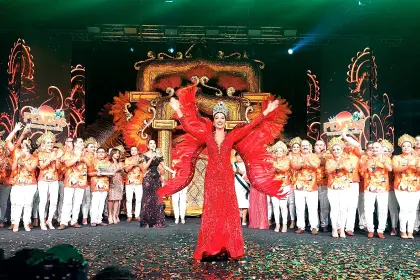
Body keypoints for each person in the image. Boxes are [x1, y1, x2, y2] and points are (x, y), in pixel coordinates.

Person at [158, 86, 289, 260]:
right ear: (213, 120)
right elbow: (189, 128)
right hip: (212, 178)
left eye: (222, 118)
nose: (219, 120)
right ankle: (211, 248)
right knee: (212, 211)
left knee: (227, 212)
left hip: (227, 178)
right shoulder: (206, 136)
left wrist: (266, 112)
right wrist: (178, 111)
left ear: (225, 120)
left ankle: (228, 247)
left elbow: (250, 126)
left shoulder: (232, 137)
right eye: (217, 117)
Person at [361, 142, 392, 238]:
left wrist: (382, 160)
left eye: (377, 147)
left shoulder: (386, 158)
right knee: (368, 209)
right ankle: (370, 229)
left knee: (382, 209)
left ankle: (380, 230)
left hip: (382, 187)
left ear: (381, 149)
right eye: (373, 148)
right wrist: (368, 162)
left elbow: (390, 169)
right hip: (369, 187)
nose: (374, 149)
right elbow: (361, 171)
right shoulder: (366, 158)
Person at [141, 140, 175, 228]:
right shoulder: (144, 155)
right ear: (148, 146)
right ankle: (147, 222)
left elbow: (164, 166)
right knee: (147, 199)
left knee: (157, 199)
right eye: (151, 143)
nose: (153, 145)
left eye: (154, 143)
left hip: (156, 179)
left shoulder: (159, 155)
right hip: (148, 178)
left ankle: (156, 221)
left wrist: (173, 172)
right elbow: (144, 168)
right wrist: (151, 158)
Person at [58, 138, 90, 230]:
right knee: (67, 202)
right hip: (70, 180)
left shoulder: (85, 154)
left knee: (78, 202)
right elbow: (68, 164)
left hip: (82, 180)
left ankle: (74, 221)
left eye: (82, 142)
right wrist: (78, 157)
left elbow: (90, 164)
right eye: (80, 142)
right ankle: (64, 221)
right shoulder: (68, 153)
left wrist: (83, 156)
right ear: (75, 144)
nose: (82, 143)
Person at [392, 134, 419, 239]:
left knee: (412, 209)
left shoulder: (417, 158)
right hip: (400, 186)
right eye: (404, 146)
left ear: (412, 146)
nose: (406, 147)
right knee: (404, 208)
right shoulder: (396, 158)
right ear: (401, 147)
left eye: (408, 146)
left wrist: (416, 166)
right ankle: (403, 231)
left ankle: (410, 231)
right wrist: (408, 165)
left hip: (415, 186)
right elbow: (395, 169)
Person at [291, 139, 321, 235]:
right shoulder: (296, 156)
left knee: (312, 208)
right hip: (299, 185)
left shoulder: (314, 156)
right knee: (299, 208)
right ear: (300, 147)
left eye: (306, 145)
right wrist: (305, 163)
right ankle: (301, 226)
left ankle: (314, 227)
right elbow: (294, 165)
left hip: (311, 186)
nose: (304, 147)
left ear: (310, 147)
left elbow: (316, 166)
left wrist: (307, 160)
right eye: (303, 145)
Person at [36, 131, 63, 230]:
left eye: (52, 142)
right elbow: (42, 167)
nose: (50, 144)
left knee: (54, 201)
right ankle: (42, 221)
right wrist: (50, 158)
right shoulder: (40, 153)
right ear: (43, 144)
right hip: (43, 179)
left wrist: (57, 159)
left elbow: (58, 168)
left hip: (54, 179)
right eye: (48, 143)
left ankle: (49, 220)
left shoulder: (56, 153)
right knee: (43, 201)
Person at [325, 137, 352, 238]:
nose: (336, 151)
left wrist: (343, 166)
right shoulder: (329, 161)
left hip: (344, 187)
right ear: (331, 151)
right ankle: (334, 229)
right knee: (334, 208)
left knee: (343, 209)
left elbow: (350, 170)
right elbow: (328, 170)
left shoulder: (347, 159)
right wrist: (338, 166)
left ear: (342, 150)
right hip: (333, 187)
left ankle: (342, 229)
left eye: (338, 149)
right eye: (334, 149)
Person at [10, 142, 38, 232]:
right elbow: (13, 168)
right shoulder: (19, 157)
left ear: (28, 149)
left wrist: (25, 160)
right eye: (21, 148)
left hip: (30, 184)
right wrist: (17, 158)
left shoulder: (34, 158)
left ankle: (26, 223)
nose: (22, 149)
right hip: (19, 183)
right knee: (19, 204)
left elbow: (30, 168)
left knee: (28, 204)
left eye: (24, 148)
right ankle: (16, 224)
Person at [270, 141, 290, 233]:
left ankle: (284, 224)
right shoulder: (272, 160)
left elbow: (284, 168)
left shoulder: (286, 160)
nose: (278, 153)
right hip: (274, 185)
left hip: (284, 185)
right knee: (275, 205)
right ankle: (277, 224)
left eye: (280, 151)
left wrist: (275, 168)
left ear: (284, 152)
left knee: (283, 205)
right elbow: (268, 170)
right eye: (276, 151)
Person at [89, 147, 112, 227]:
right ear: (96, 153)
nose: (101, 153)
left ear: (105, 153)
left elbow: (111, 173)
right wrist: (96, 173)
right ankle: (93, 220)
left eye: (103, 152)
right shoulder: (93, 161)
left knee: (102, 202)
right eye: (99, 152)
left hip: (105, 184)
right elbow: (89, 173)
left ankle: (99, 219)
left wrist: (111, 173)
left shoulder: (108, 163)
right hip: (95, 184)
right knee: (95, 202)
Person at [381, 139, 398, 236]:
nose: (383, 153)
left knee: (392, 208)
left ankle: (394, 227)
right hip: (380, 188)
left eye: (386, 151)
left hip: (391, 188)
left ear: (390, 153)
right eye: (382, 150)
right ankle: (383, 226)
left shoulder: (393, 161)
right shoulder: (376, 160)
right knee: (381, 208)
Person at [124, 146, 144, 222]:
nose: (133, 151)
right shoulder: (127, 159)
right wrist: (132, 164)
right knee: (129, 199)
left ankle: (137, 215)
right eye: (132, 150)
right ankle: (129, 215)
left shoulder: (141, 159)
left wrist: (138, 164)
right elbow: (126, 169)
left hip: (139, 182)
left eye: (135, 150)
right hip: (129, 182)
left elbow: (144, 169)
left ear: (138, 151)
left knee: (138, 200)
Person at [81, 137, 98, 225]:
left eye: (94, 147)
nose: (93, 148)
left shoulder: (96, 156)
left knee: (93, 200)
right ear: (86, 148)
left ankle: (93, 217)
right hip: (86, 180)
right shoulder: (84, 156)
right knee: (86, 200)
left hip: (95, 181)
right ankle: (84, 217)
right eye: (91, 147)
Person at [314, 139, 329, 232]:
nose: (319, 146)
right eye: (317, 145)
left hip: (324, 183)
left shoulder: (328, 155)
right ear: (314, 147)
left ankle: (324, 224)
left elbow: (324, 163)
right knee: (314, 206)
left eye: (321, 145)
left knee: (324, 206)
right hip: (312, 184)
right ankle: (315, 224)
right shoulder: (311, 156)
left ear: (324, 146)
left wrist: (322, 155)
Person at [287, 137, 301, 229]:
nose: (295, 148)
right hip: (290, 181)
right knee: (291, 202)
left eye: (297, 147)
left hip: (301, 181)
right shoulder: (288, 157)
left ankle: (302, 221)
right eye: (294, 147)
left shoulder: (302, 156)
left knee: (300, 203)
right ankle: (292, 220)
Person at [108, 147, 125, 224]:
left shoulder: (120, 163)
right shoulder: (108, 163)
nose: (117, 155)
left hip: (119, 182)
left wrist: (122, 171)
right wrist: (116, 170)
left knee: (117, 199)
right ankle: (110, 215)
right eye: (115, 153)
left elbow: (124, 174)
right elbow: (108, 173)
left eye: (118, 153)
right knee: (111, 199)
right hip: (111, 181)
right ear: (112, 154)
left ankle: (115, 215)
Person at [232, 152, 249, 226]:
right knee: (237, 200)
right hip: (236, 184)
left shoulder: (246, 165)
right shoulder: (233, 164)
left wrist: (240, 171)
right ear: (235, 157)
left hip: (245, 184)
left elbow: (249, 175)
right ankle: (238, 217)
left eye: (240, 155)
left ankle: (244, 218)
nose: (239, 157)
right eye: (237, 156)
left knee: (244, 201)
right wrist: (234, 172)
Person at [0, 139, 12, 228]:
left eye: (2, 147)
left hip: (6, 183)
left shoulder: (9, 159)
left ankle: (2, 219)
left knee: (3, 202)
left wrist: (7, 166)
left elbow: (13, 169)